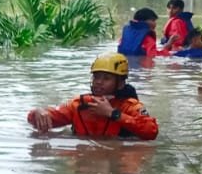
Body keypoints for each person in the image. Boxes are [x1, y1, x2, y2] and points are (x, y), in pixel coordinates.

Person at [26, 53, 159, 140]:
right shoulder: (80, 104)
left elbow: (151, 131)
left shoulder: (130, 106)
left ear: (120, 83)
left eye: (106, 78)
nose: (99, 82)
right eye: (96, 77)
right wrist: (38, 112)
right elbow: (45, 119)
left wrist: (113, 114)